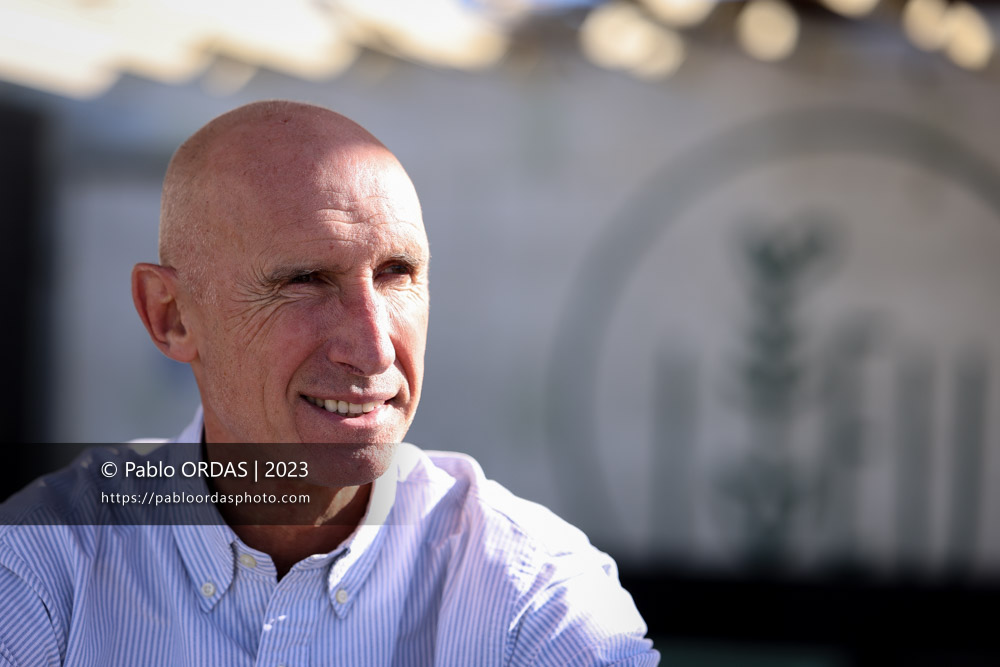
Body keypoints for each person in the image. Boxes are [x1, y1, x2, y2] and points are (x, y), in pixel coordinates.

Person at [0, 101, 657, 665]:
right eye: (305, 280)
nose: (375, 348)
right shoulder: (41, 571)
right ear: (172, 316)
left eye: (398, 273)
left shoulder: (531, 591)